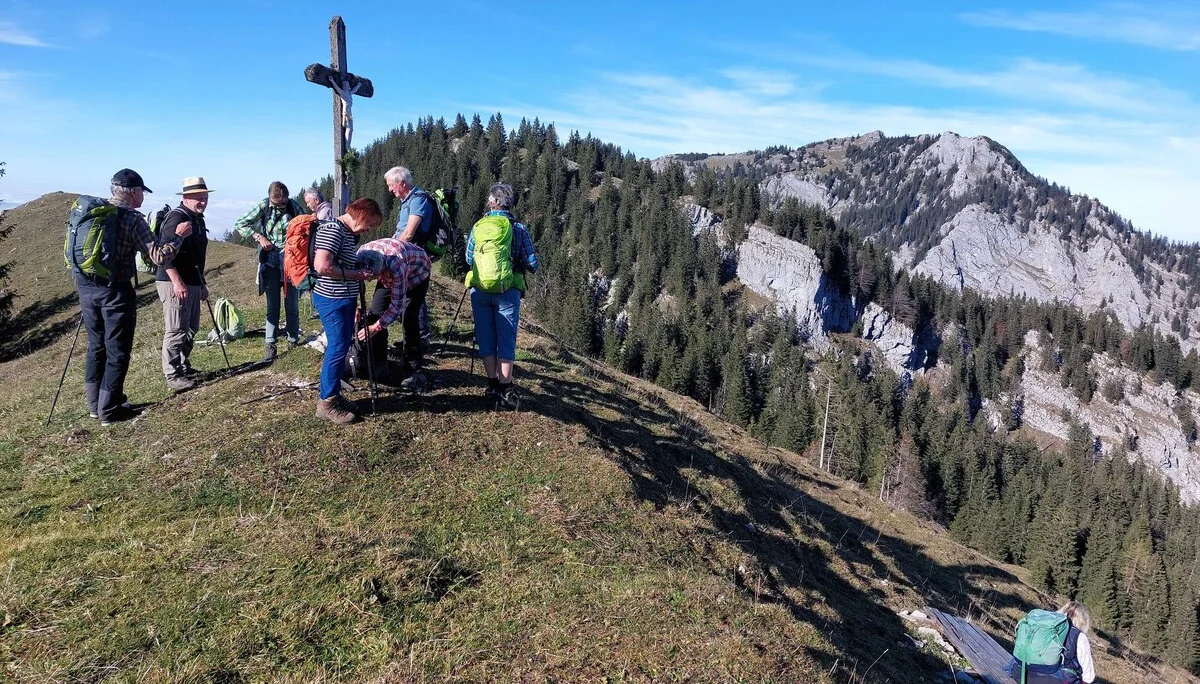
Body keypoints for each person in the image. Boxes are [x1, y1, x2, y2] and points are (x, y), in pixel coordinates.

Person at [73, 169, 183, 425]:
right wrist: (178, 238)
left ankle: (95, 406)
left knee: (96, 346)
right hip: (116, 290)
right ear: (133, 193)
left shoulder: (94, 213)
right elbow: (157, 257)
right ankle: (110, 411)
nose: (143, 197)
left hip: (86, 288)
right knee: (117, 350)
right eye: (142, 192)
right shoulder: (133, 219)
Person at [465, 182, 539, 408]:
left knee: (486, 337)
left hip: (480, 290)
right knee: (506, 339)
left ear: (491, 202)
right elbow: (533, 264)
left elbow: (469, 259)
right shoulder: (518, 229)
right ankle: (506, 390)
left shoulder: (479, 226)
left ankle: (491, 385)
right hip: (507, 290)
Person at [311, 198, 381, 424]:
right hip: (332, 299)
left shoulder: (345, 232)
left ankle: (333, 396)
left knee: (340, 347)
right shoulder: (333, 230)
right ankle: (326, 403)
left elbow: (340, 264)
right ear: (360, 214)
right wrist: (357, 275)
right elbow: (322, 266)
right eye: (369, 223)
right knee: (337, 348)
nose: (369, 229)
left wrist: (357, 271)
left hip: (342, 298)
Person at [233, 181, 306, 361]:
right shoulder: (263, 206)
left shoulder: (293, 205)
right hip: (270, 263)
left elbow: (307, 224)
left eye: (284, 203)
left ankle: (293, 341)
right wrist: (258, 236)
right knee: (272, 306)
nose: (281, 207)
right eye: (278, 204)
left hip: (291, 262)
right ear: (271, 200)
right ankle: (270, 344)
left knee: (292, 305)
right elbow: (240, 223)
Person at [155, 176, 211, 391]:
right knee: (176, 329)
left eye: (205, 197)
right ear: (186, 197)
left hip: (193, 281)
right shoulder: (176, 218)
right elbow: (162, 255)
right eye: (199, 198)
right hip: (173, 282)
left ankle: (182, 365)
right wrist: (177, 282)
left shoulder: (198, 218)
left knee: (192, 327)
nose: (203, 201)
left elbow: (197, 255)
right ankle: (172, 375)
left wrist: (201, 283)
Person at [356, 238, 432, 389]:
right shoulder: (361, 255)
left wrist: (376, 327)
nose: (372, 281)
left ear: (383, 270)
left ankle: (413, 369)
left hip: (418, 273)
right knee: (376, 313)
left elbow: (396, 306)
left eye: (375, 277)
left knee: (409, 317)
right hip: (392, 267)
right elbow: (352, 284)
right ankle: (380, 364)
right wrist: (355, 308)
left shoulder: (397, 266)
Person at [384, 166, 434, 349]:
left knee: (414, 295)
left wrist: (391, 249)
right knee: (410, 294)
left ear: (402, 183)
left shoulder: (417, 200)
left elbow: (409, 232)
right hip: (406, 253)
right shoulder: (408, 200)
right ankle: (414, 336)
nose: (389, 189)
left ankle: (420, 338)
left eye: (391, 185)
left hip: (413, 255)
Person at [1009, 600, 1097, 683]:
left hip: (1020, 674)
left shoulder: (1044, 627)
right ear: (1083, 621)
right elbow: (1089, 677)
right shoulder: (1079, 636)